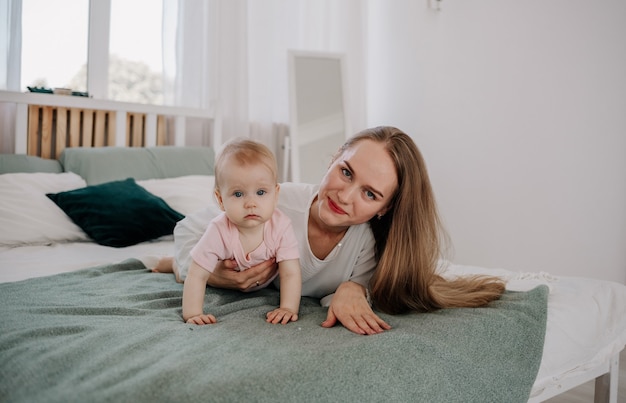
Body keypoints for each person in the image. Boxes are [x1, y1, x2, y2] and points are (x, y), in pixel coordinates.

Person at [155, 126, 505, 335]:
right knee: (183, 261)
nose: (344, 196)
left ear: (384, 209)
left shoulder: (367, 246)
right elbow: (187, 231)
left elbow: (353, 285)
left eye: (370, 194)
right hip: (233, 257)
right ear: (334, 157)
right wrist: (215, 277)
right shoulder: (275, 203)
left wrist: (353, 289)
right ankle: (167, 264)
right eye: (346, 172)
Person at [167, 138, 302, 325]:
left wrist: (288, 307)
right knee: (184, 270)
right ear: (220, 200)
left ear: (276, 194)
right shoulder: (218, 230)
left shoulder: (281, 226)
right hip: (221, 273)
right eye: (238, 194)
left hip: (259, 283)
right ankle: (171, 263)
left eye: (261, 192)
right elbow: (197, 275)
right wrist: (193, 314)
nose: (251, 203)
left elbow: (290, 273)